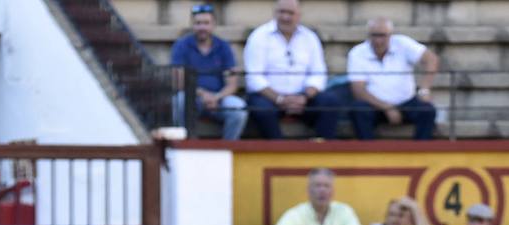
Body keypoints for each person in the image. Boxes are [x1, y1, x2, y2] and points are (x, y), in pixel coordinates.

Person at [242, 0, 342, 140]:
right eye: (281, 12)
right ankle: (277, 151)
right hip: (269, 98)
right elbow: (254, 78)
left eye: (290, 13)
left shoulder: (310, 38)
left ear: (299, 15)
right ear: (274, 13)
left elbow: (318, 74)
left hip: (303, 98)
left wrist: (304, 97)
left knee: (330, 102)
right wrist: (280, 99)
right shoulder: (259, 37)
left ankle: (320, 151)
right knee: (261, 109)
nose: (285, 17)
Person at [339, 18, 439, 140]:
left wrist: (425, 89)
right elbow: (359, 91)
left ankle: (421, 153)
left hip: (406, 102)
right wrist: (387, 107)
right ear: (368, 35)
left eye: (382, 35)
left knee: (427, 111)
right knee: (358, 110)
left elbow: (431, 59)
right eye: (374, 35)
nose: (378, 40)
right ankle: (368, 153)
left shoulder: (403, 43)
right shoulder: (357, 53)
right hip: (374, 106)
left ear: (391, 35)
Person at [170, 4, 249, 141]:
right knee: (180, 100)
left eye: (206, 23)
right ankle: (185, 144)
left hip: (219, 98)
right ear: (192, 25)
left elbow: (232, 84)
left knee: (238, 108)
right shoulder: (181, 45)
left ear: (213, 25)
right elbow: (179, 81)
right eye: (198, 23)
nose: (202, 27)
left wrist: (216, 97)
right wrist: (203, 94)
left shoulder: (223, 46)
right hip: (192, 96)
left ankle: (227, 147)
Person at [267, 168, 368, 225]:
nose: (322, 190)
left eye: (326, 186)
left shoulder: (344, 211)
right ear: (308, 190)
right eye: (317, 185)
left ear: (333, 191)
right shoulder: (296, 214)